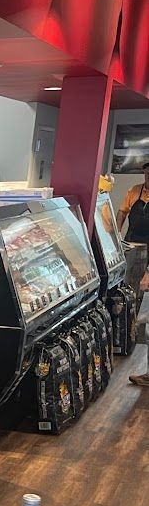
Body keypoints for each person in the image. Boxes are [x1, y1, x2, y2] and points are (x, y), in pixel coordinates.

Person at [119, 162, 149, 385]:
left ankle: (138, 335)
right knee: (129, 293)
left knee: (143, 297)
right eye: (147, 173)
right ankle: (128, 335)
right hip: (132, 245)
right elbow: (121, 213)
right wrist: (115, 234)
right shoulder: (134, 191)